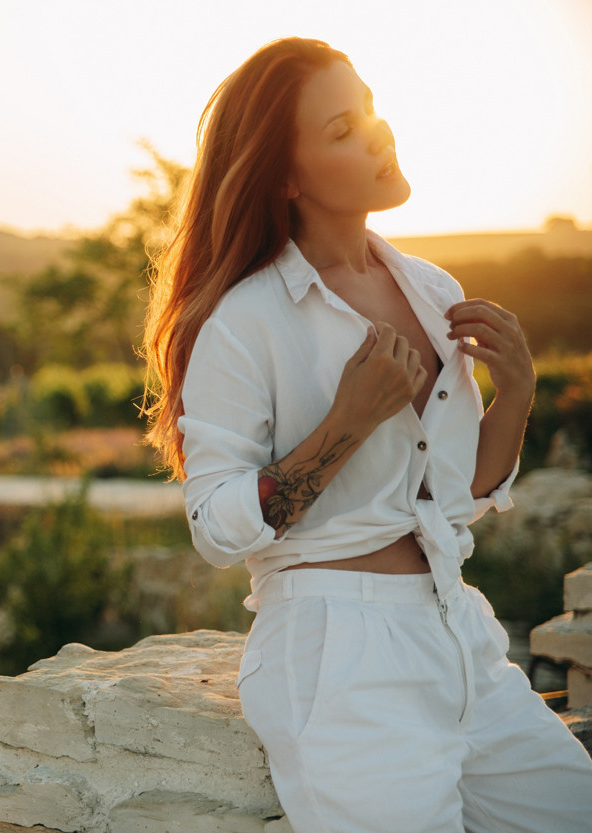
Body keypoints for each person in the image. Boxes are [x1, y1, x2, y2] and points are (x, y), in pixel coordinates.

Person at [142, 37, 592, 833]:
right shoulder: (244, 323)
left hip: (457, 628)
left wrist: (516, 394)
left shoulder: (431, 289)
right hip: (337, 656)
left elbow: (454, 494)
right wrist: (346, 423)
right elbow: (214, 526)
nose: (377, 135)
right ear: (286, 175)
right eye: (342, 130)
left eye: (371, 111)